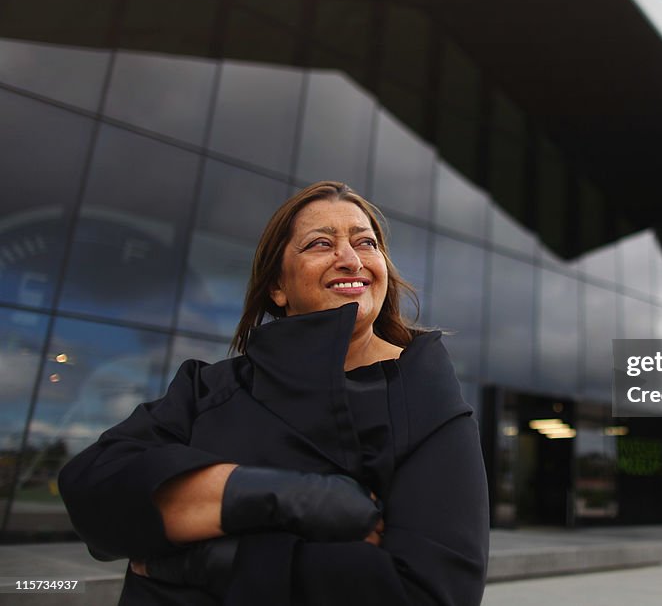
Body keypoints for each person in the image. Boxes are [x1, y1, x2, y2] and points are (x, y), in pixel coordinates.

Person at [59, 181, 490, 605]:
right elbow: (92, 488)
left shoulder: (426, 395)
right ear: (277, 287)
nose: (349, 258)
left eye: (366, 243)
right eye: (321, 244)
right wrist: (288, 496)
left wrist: (210, 561)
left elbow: (430, 592)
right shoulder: (210, 387)